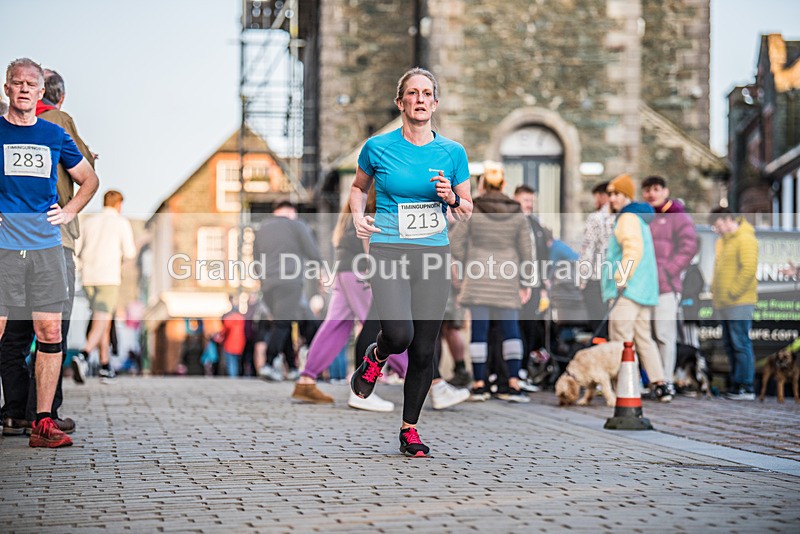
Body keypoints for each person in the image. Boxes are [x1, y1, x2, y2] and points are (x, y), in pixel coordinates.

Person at [349, 67, 473, 457]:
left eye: (426, 94)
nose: (419, 99)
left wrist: (451, 198)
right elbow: (357, 188)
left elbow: (468, 208)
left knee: (423, 350)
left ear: (435, 104)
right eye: (412, 93)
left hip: (433, 254)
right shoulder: (377, 147)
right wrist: (357, 216)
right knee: (399, 335)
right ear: (400, 101)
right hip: (388, 249)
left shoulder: (453, 153)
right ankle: (376, 356)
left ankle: (409, 430)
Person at [0, 58, 99, 447]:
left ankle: (43, 422)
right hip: (5, 248)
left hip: (45, 247)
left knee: (51, 330)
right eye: (17, 83)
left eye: (31, 84)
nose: (24, 89)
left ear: (41, 93)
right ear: (7, 88)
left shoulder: (53, 133)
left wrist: (70, 210)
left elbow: (89, 178)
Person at [291, 197, 401, 412]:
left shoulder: (349, 214)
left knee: (336, 325)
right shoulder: (370, 211)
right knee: (385, 327)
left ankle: (306, 379)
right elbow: (370, 243)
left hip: (345, 270)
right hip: (362, 271)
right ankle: (430, 379)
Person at [450, 161, 532, 403]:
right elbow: (527, 251)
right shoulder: (517, 211)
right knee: (511, 331)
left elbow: (455, 244)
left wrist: (469, 259)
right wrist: (525, 282)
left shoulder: (473, 209)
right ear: (504, 184)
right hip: (508, 279)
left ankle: (479, 384)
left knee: (479, 331)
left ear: (483, 184)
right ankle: (514, 383)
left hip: (477, 277)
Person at [602, 174, 671, 402]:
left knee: (619, 339)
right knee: (644, 338)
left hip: (627, 291)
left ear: (627, 196)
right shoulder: (639, 218)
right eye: (610, 194)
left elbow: (632, 250)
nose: (612, 199)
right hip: (643, 291)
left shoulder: (627, 218)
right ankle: (659, 383)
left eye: (617, 194)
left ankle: (622, 387)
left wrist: (621, 279)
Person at [253, 201, 323, 381]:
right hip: (290, 281)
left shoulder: (262, 229)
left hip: (268, 284)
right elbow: (312, 251)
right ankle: (268, 364)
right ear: (291, 211)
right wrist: (322, 271)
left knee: (281, 322)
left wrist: (262, 279)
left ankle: (291, 367)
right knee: (283, 323)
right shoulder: (296, 225)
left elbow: (255, 259)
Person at [641, 176, 698, 394]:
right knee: (647, 336)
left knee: (664, 335)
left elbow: (689, 246)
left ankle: (666, 382)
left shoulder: (678, 216)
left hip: (666, 287)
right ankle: (653, 381)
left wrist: (668, 271)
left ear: (665, 191)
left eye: (656, 189)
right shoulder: (644, 217)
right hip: (645, 287)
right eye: (647, 190)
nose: (651, 194)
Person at [76, 189, 136, 383]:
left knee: (104, 319)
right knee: (102, 319)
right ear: (119, 205)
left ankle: (105, 366)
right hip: (108, 277)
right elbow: (129, 252)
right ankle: (84, 355)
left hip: (88, 277)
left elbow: (77, 250)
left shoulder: (89, 222)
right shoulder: (121, 223)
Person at [708, 208, 758, 401]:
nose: (717, 230)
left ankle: (746, 386)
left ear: (728, 219)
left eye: (718, 225)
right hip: (723, 303)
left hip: (740, 302)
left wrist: (733, 292)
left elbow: (748, 268)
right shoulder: (723, 242)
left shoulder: (745, 238)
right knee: (730, 344)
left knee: (740, 343)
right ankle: (736, 383)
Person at [513, 184, 549, 380]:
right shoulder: (511, 222)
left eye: (531, 201)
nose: (529, 204)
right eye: (525, 200)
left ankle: (523, 371)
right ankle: (513, 371)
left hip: (534, 284)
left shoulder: (536, 224)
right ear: (516, 198)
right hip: (516, 284)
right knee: (514, 328)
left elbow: (542, 254)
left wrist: (543, 284)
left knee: (529, 327)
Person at [578, 181, 614, 337]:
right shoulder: (625, 217)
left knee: (599, 330)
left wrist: (582, 278)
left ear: (603, 196)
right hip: (617, 281)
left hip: (596, 280)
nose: (595, 202)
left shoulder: (596, 218)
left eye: (596, 197)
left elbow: (588, 249)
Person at [219, 296, 246, 377]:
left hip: (230, 343)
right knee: (236, 362)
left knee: (231, 362)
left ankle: (233, 377)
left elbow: (225, 330)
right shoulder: (242, 317)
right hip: (240, 343)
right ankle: (236, 376)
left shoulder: (229, 318)